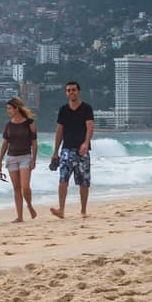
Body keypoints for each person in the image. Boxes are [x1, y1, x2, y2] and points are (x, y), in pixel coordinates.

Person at [49, 81, 94, 219]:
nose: (71, 92)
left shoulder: (86, 108)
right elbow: (59, 131)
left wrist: (86, 143)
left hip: (82, 150)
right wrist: (55, 151)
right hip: (66, 150)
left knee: (84, 181)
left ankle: (83, 210)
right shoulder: (63, 110)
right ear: (66, 93)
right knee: (63, 179)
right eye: (68, 90)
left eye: (73, 90)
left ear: (78, 91)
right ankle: (61, 210)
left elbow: (90, 127)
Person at [0, 96, 39, 221]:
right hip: (11, 158)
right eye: (7, 109)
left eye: (9, 108)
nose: (7, 111)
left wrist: (34, 160)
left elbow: (35, 144)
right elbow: (5, 144)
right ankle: (20, 216)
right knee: (16, 189)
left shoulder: (29, 123)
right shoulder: (8, 125)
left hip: (25, 157)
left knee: (25, 186)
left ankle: (30, 205)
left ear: (17, 108)